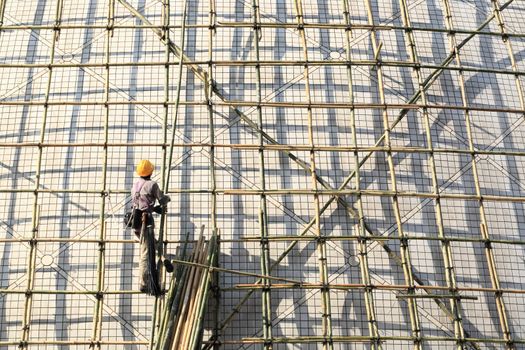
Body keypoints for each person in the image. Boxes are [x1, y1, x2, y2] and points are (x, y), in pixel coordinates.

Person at [131, 159, 170, 294]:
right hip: (145, 223)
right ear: (151, 171)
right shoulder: (152, 185)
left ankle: (163, 260)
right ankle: (143, 283)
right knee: (146, 253)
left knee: (151, 247)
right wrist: (166, 199)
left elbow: (141, 204)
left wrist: (154, 209)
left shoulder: (135, 186)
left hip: (136, 221)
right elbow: (162, 199)